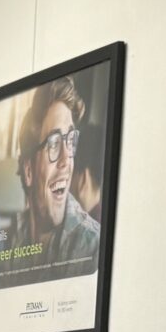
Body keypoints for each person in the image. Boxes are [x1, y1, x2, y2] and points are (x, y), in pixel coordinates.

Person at [13, 76, 102, 272]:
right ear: (28, 171)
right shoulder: (8, 243)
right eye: (53, 143)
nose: (67, 159)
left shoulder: (94, 249)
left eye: (70, 140)